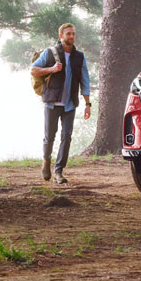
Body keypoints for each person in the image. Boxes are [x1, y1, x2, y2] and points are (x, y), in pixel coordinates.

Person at [30, 23, 91, 184]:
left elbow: (85, 80)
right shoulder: (50, 53)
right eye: (68, 34)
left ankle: (58, 171)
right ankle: (46, 161)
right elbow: (33, 70)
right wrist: (51, 69)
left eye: (73, 34)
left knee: (67, 137)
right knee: (49, 136)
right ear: (61, 35)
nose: (71, 36)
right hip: (52, 102)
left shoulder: (79, 56)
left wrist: (88, 104)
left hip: (70, 104)